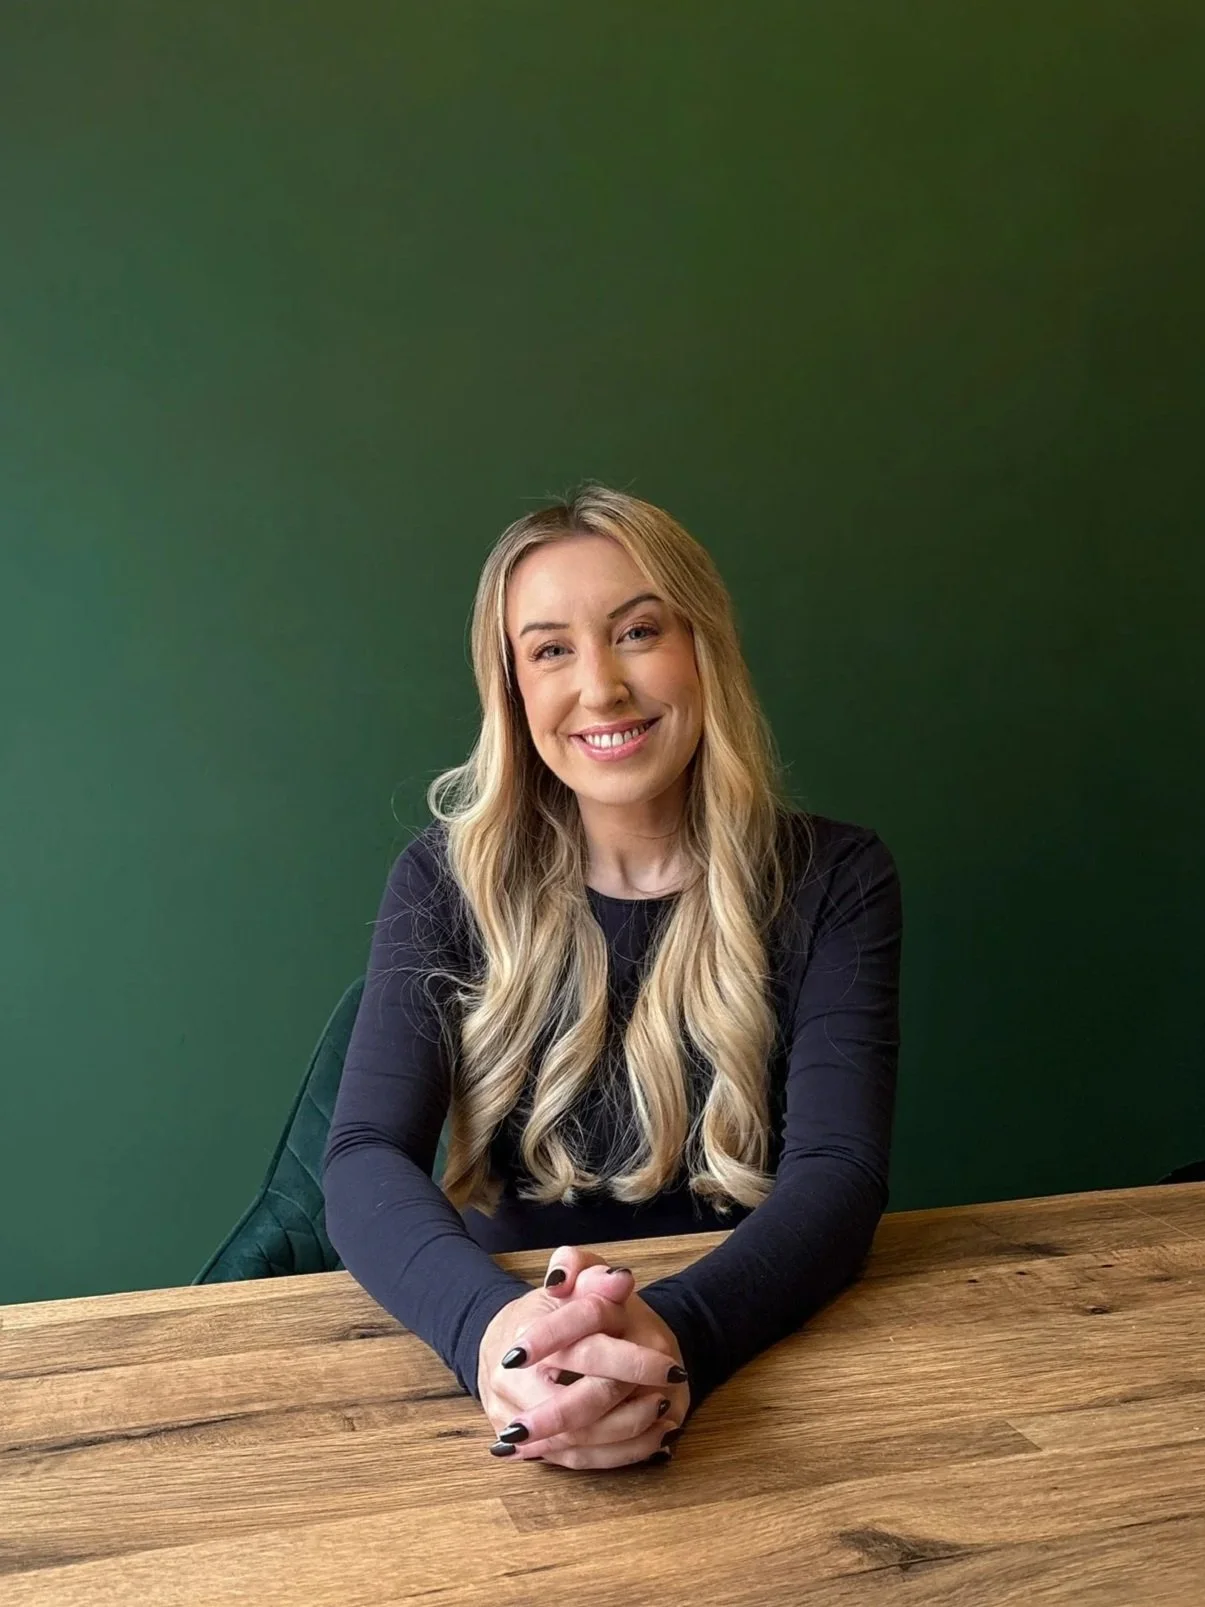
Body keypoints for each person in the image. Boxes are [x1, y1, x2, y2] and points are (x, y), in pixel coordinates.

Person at [322, 483, 902, 1470]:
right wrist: (494, 1335)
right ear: (512, 687)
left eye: (636, 631)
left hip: (756, 1342)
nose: (599, 687)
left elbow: (839, 1173)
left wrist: (672, 1340)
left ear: (702, 646)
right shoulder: (445, 878)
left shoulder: (837, 878)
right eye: (550, 649)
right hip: (514, 1340)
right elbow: (364, 1155)